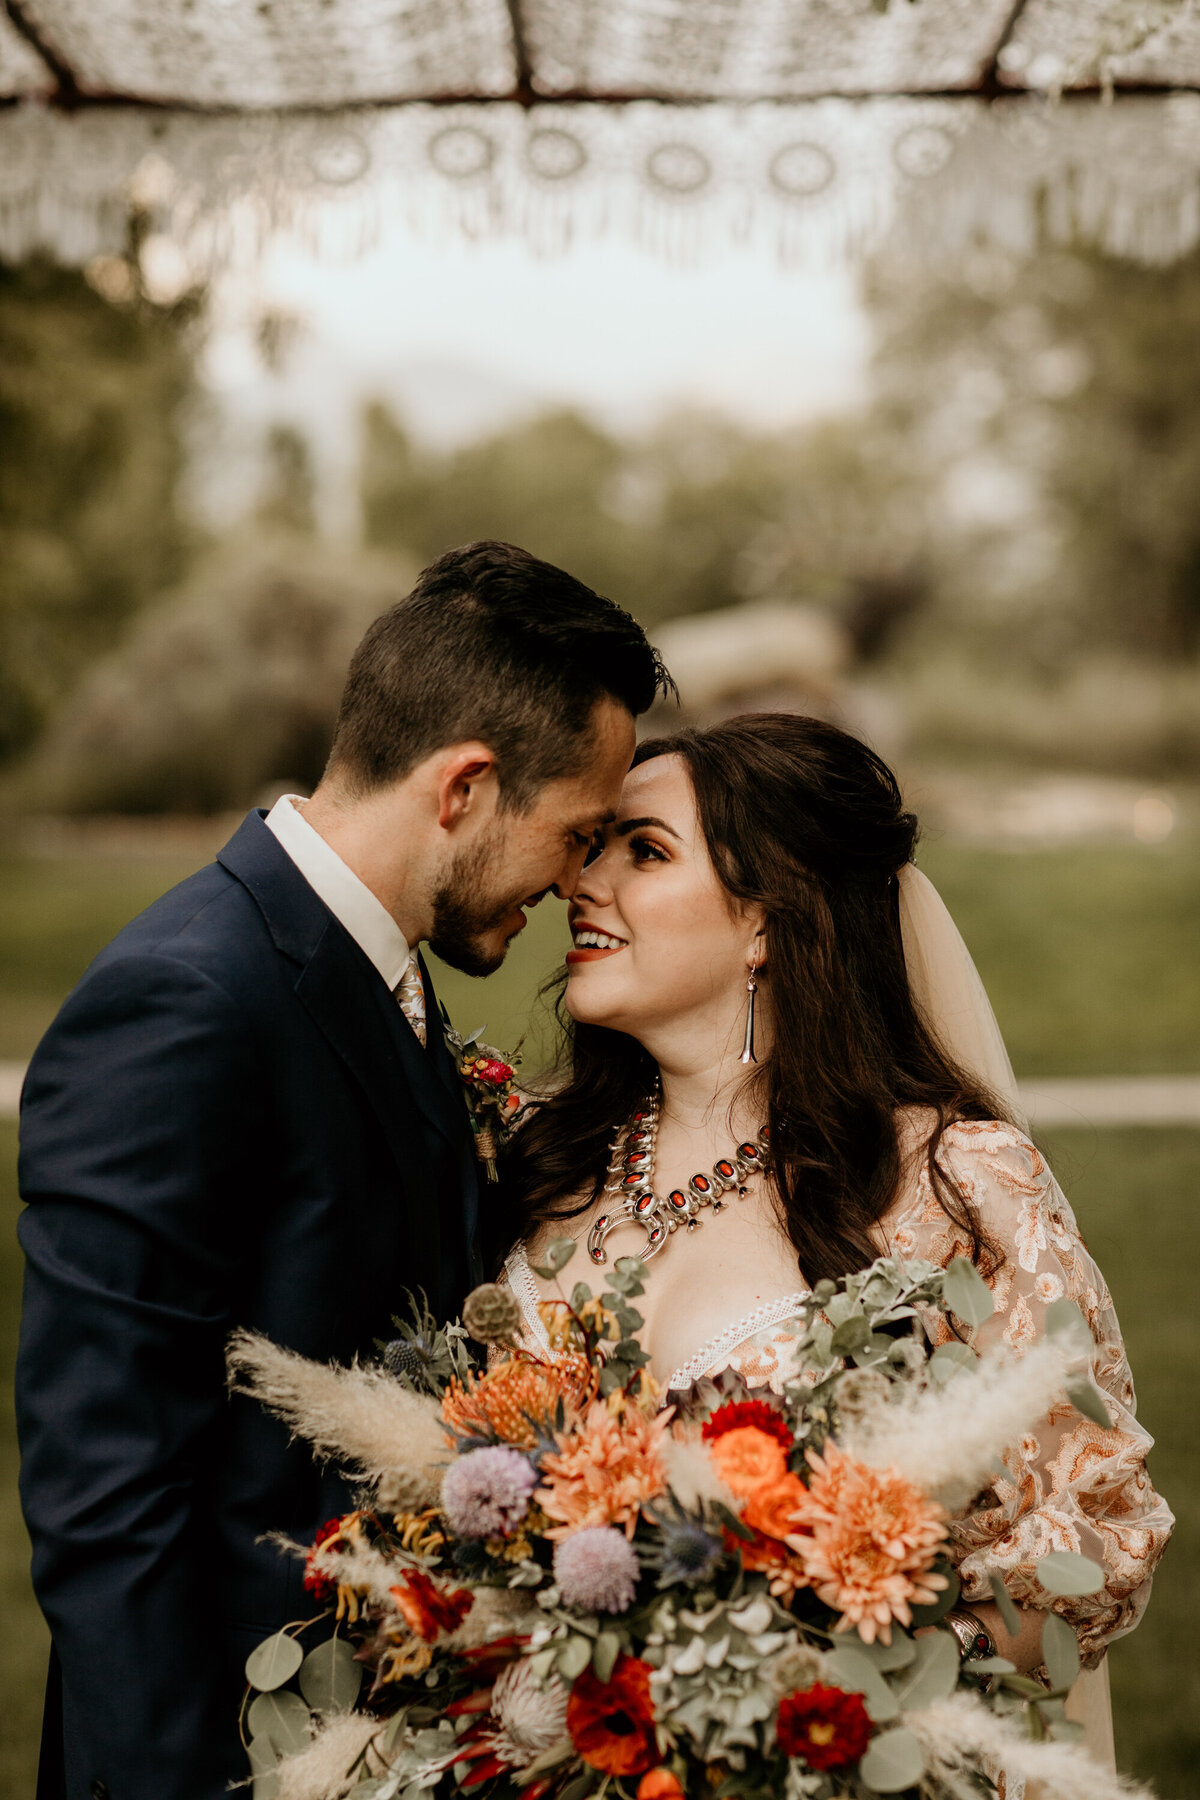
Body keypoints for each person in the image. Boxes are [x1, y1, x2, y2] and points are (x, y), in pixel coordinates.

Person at [15, 541, 672, 1800]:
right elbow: (106, 1492)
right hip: (218, 1750)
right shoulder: (184, 1001)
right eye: (578, 834)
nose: (580, 880)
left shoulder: (383, 965)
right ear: (465, 787)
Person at [498, 712, 1173, 1759]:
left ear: (767, 920)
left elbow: (1097, 1532)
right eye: (593, 846)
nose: (584, 882)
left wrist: (821, 1688)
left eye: (645, 850)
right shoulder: (540, 1162)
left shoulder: (950, 1184)